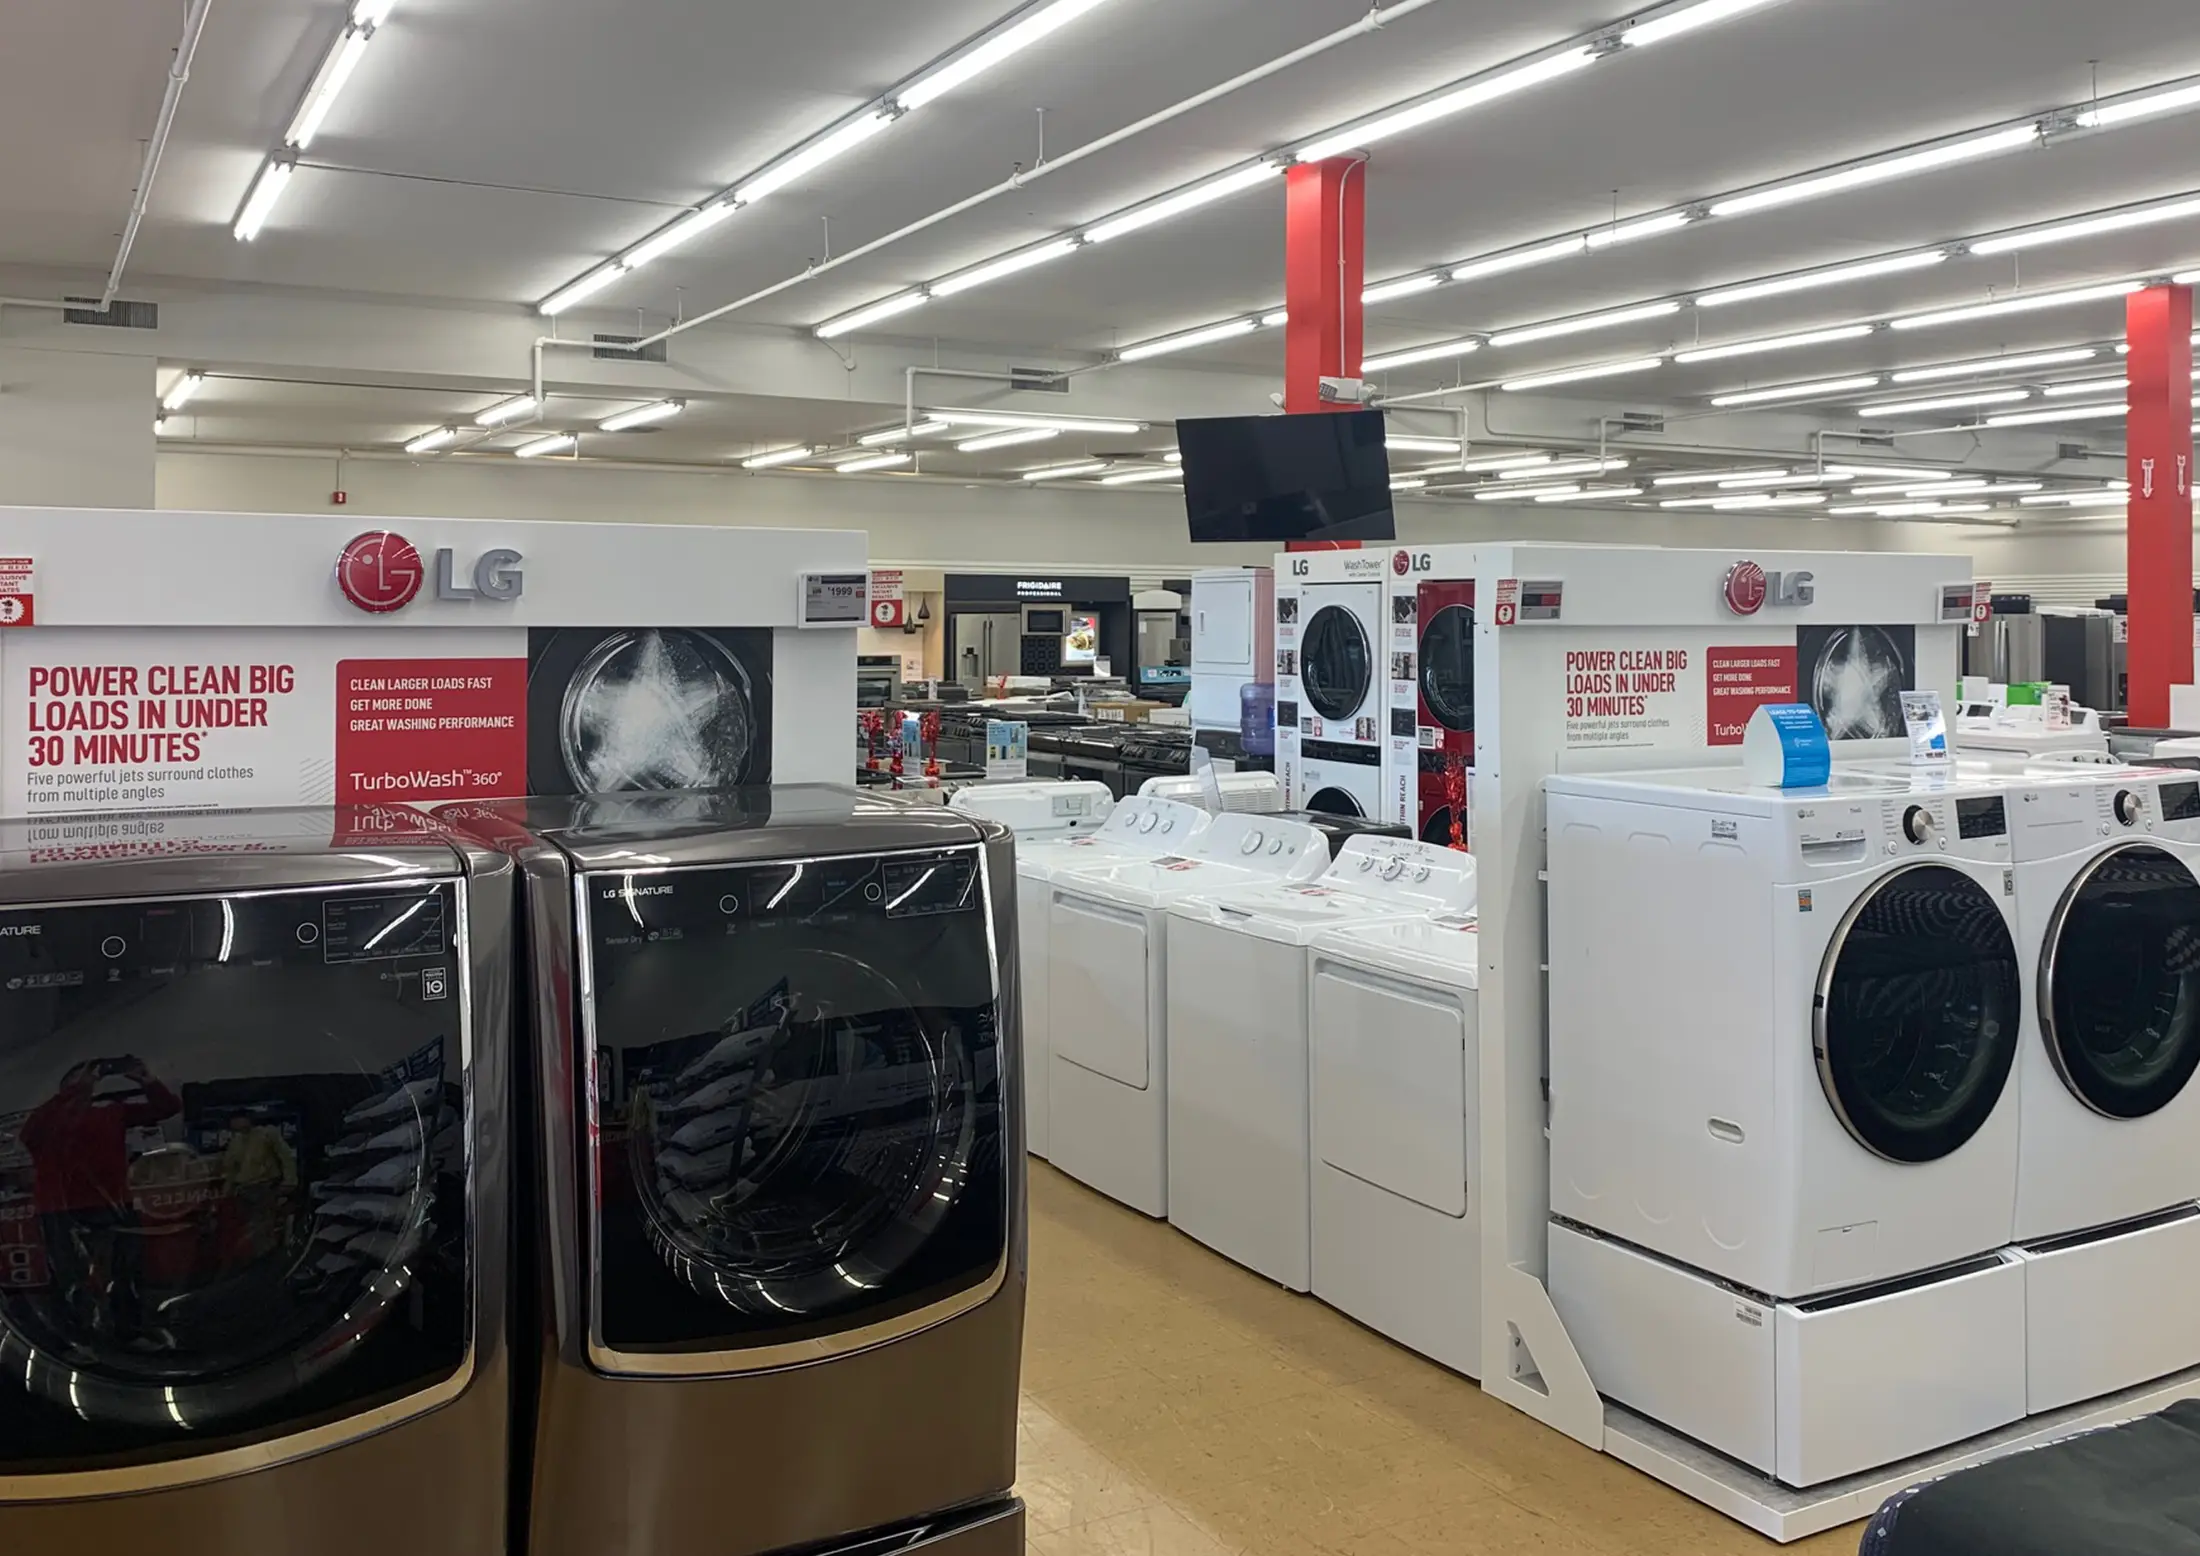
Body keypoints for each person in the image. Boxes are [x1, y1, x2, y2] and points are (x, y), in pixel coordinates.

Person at [18, 1058, 182, 1342]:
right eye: (80, 1077)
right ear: (64, 1088)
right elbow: (28, 1134)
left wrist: (146, 1080)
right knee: (75, 1277)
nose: (89, 1080)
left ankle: (128, 1333)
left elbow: (167, 1108)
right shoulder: (49, 1120)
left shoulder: (110, 1113)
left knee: (124, 1272)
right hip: (63, 1210)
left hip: (113, 1205)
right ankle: (81, 1340)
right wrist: (73, 1091)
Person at [219, 1111, 298, 1259]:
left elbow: (286, 1157)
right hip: (243, 1189)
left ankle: (267, 1259)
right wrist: (226, 1192)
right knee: (248, 1229)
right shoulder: (235, 1142)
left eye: (239, 1118)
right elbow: (231, 1170)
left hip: (265, 1186)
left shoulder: (268, 1134)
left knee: (261, 1226)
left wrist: (290, 1180)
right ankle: (259, 1258)